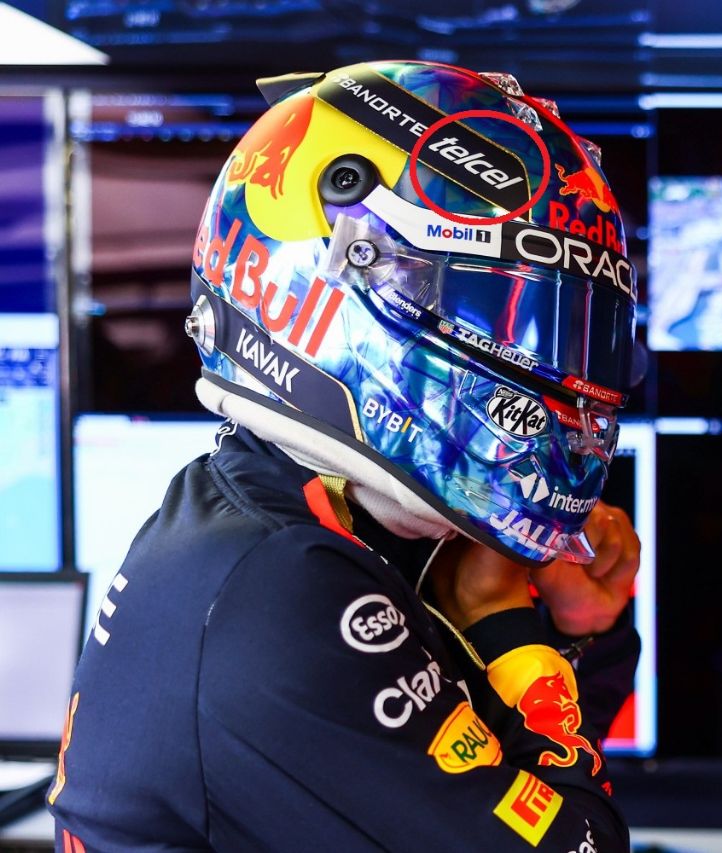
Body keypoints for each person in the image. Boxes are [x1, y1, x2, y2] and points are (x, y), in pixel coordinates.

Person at [48, 60, 642, 852]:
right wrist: (504, 627)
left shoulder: (302, 523)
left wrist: (571, 635)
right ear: (338, 285)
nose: (563, 371)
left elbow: (504, 780)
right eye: (502, 315)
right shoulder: (279, 589)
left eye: (567, 328)